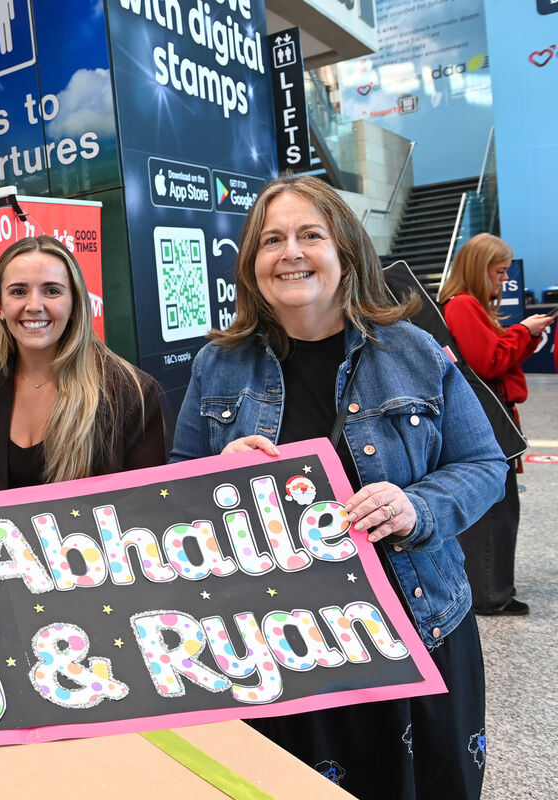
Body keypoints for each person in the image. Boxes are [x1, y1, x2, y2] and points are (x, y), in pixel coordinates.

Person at [171, 175, 507, 799]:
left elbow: (485, 465)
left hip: (416, 626)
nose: (290, 252)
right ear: (252, 264)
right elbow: (176, 486)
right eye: (272, 239)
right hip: (278, 643)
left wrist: (417, 505)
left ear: (345, 252)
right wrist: (214, 477)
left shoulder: (415, 352)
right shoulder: (217, 364)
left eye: (309, 235)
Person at [0, 235, 164, 490]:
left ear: (74, 303)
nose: (34, 305)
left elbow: (147, 505)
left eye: (52, 291)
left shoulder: (130, 393)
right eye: (19, 291)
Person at [438, 233, 551, 616]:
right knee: (496, 512)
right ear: (479, 268)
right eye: (499, 271)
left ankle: (491, 589)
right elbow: (488, 362)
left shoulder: (461, 305)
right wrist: (524, 332)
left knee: (499, 509)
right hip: (489, 422)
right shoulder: (464, 305)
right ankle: (490, 594)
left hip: (490, 418)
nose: (504, 280)